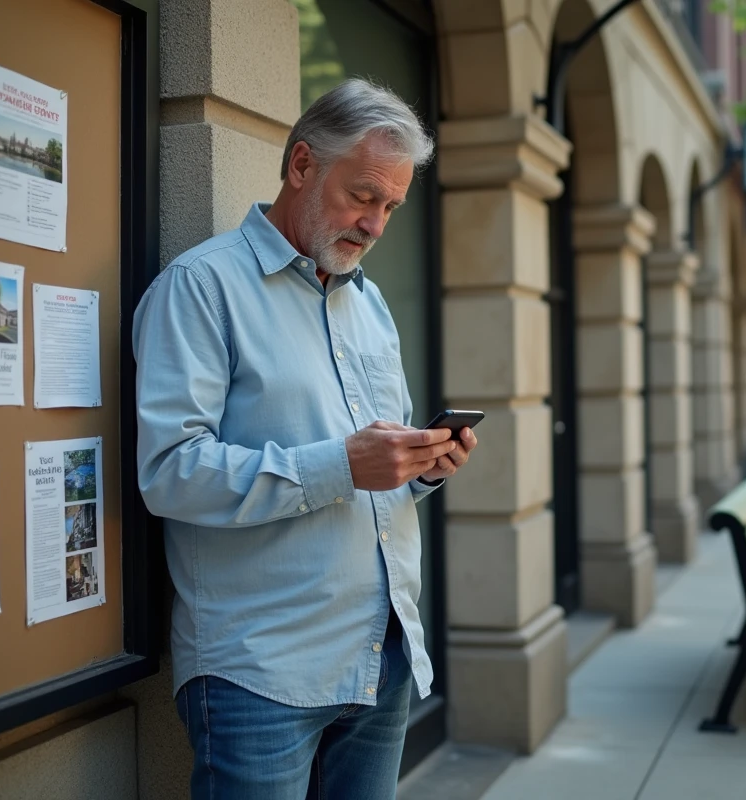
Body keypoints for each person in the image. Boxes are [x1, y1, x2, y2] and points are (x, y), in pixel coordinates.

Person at [132, 78, 477, 800]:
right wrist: (343, 465)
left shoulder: (370, 302)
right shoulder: (200, 288)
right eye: (363, 196)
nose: (376, 224)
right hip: (259, 673)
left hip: (380, 657)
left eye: (390, 206)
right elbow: (169, 472)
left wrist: (426, 463)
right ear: (300, 166)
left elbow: (376, 471)